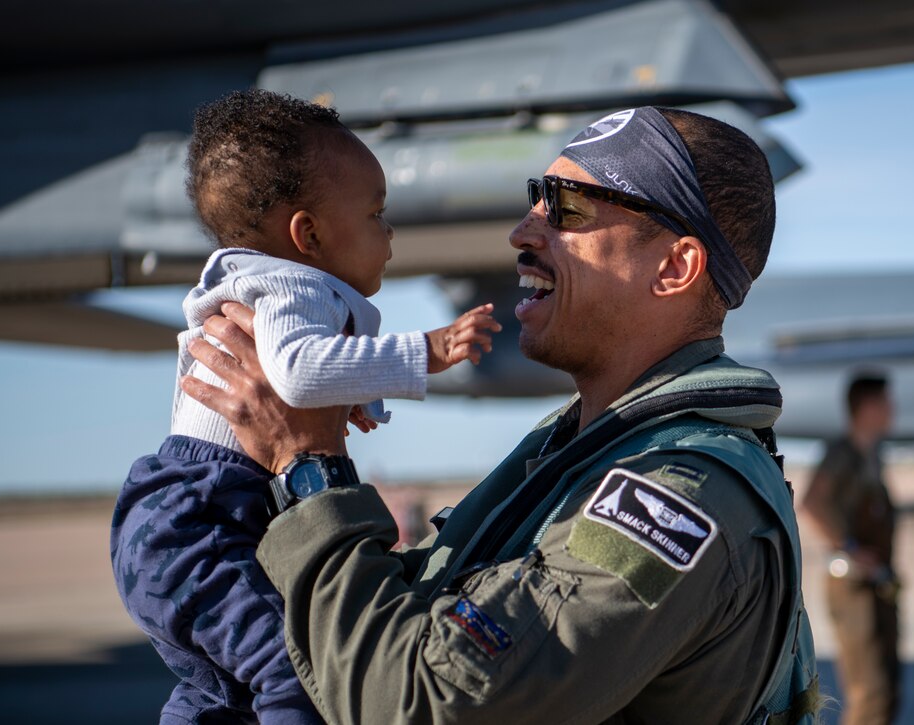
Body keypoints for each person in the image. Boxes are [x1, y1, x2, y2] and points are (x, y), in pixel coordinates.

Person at [172, 106, 821, 723]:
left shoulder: (673, 498)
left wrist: (308, 466)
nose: (522, 231)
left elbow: (425, 703)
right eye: (537, 197)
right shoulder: (577, 449)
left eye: (566, 207)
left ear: (675, 266)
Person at [110, 89, 500, 724]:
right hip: (209, 516)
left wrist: (352, 394)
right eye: (375, 213)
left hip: (173, 520)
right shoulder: (299, 284)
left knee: (221, 694)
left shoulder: (253, 280)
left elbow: (298, 370)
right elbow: (295, 371)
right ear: (308, 234)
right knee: (300, 675)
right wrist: (423, 352)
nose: (390, 230)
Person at [802, 373, 901, 725]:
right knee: (869, 690)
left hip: (874, 583)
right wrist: (849, 549)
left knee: (886, 688)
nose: (893, 410)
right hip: (853, 586)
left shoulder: (871, 453)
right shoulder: (842, 453)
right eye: (886, 403)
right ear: (867, 407)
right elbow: (813, 503)